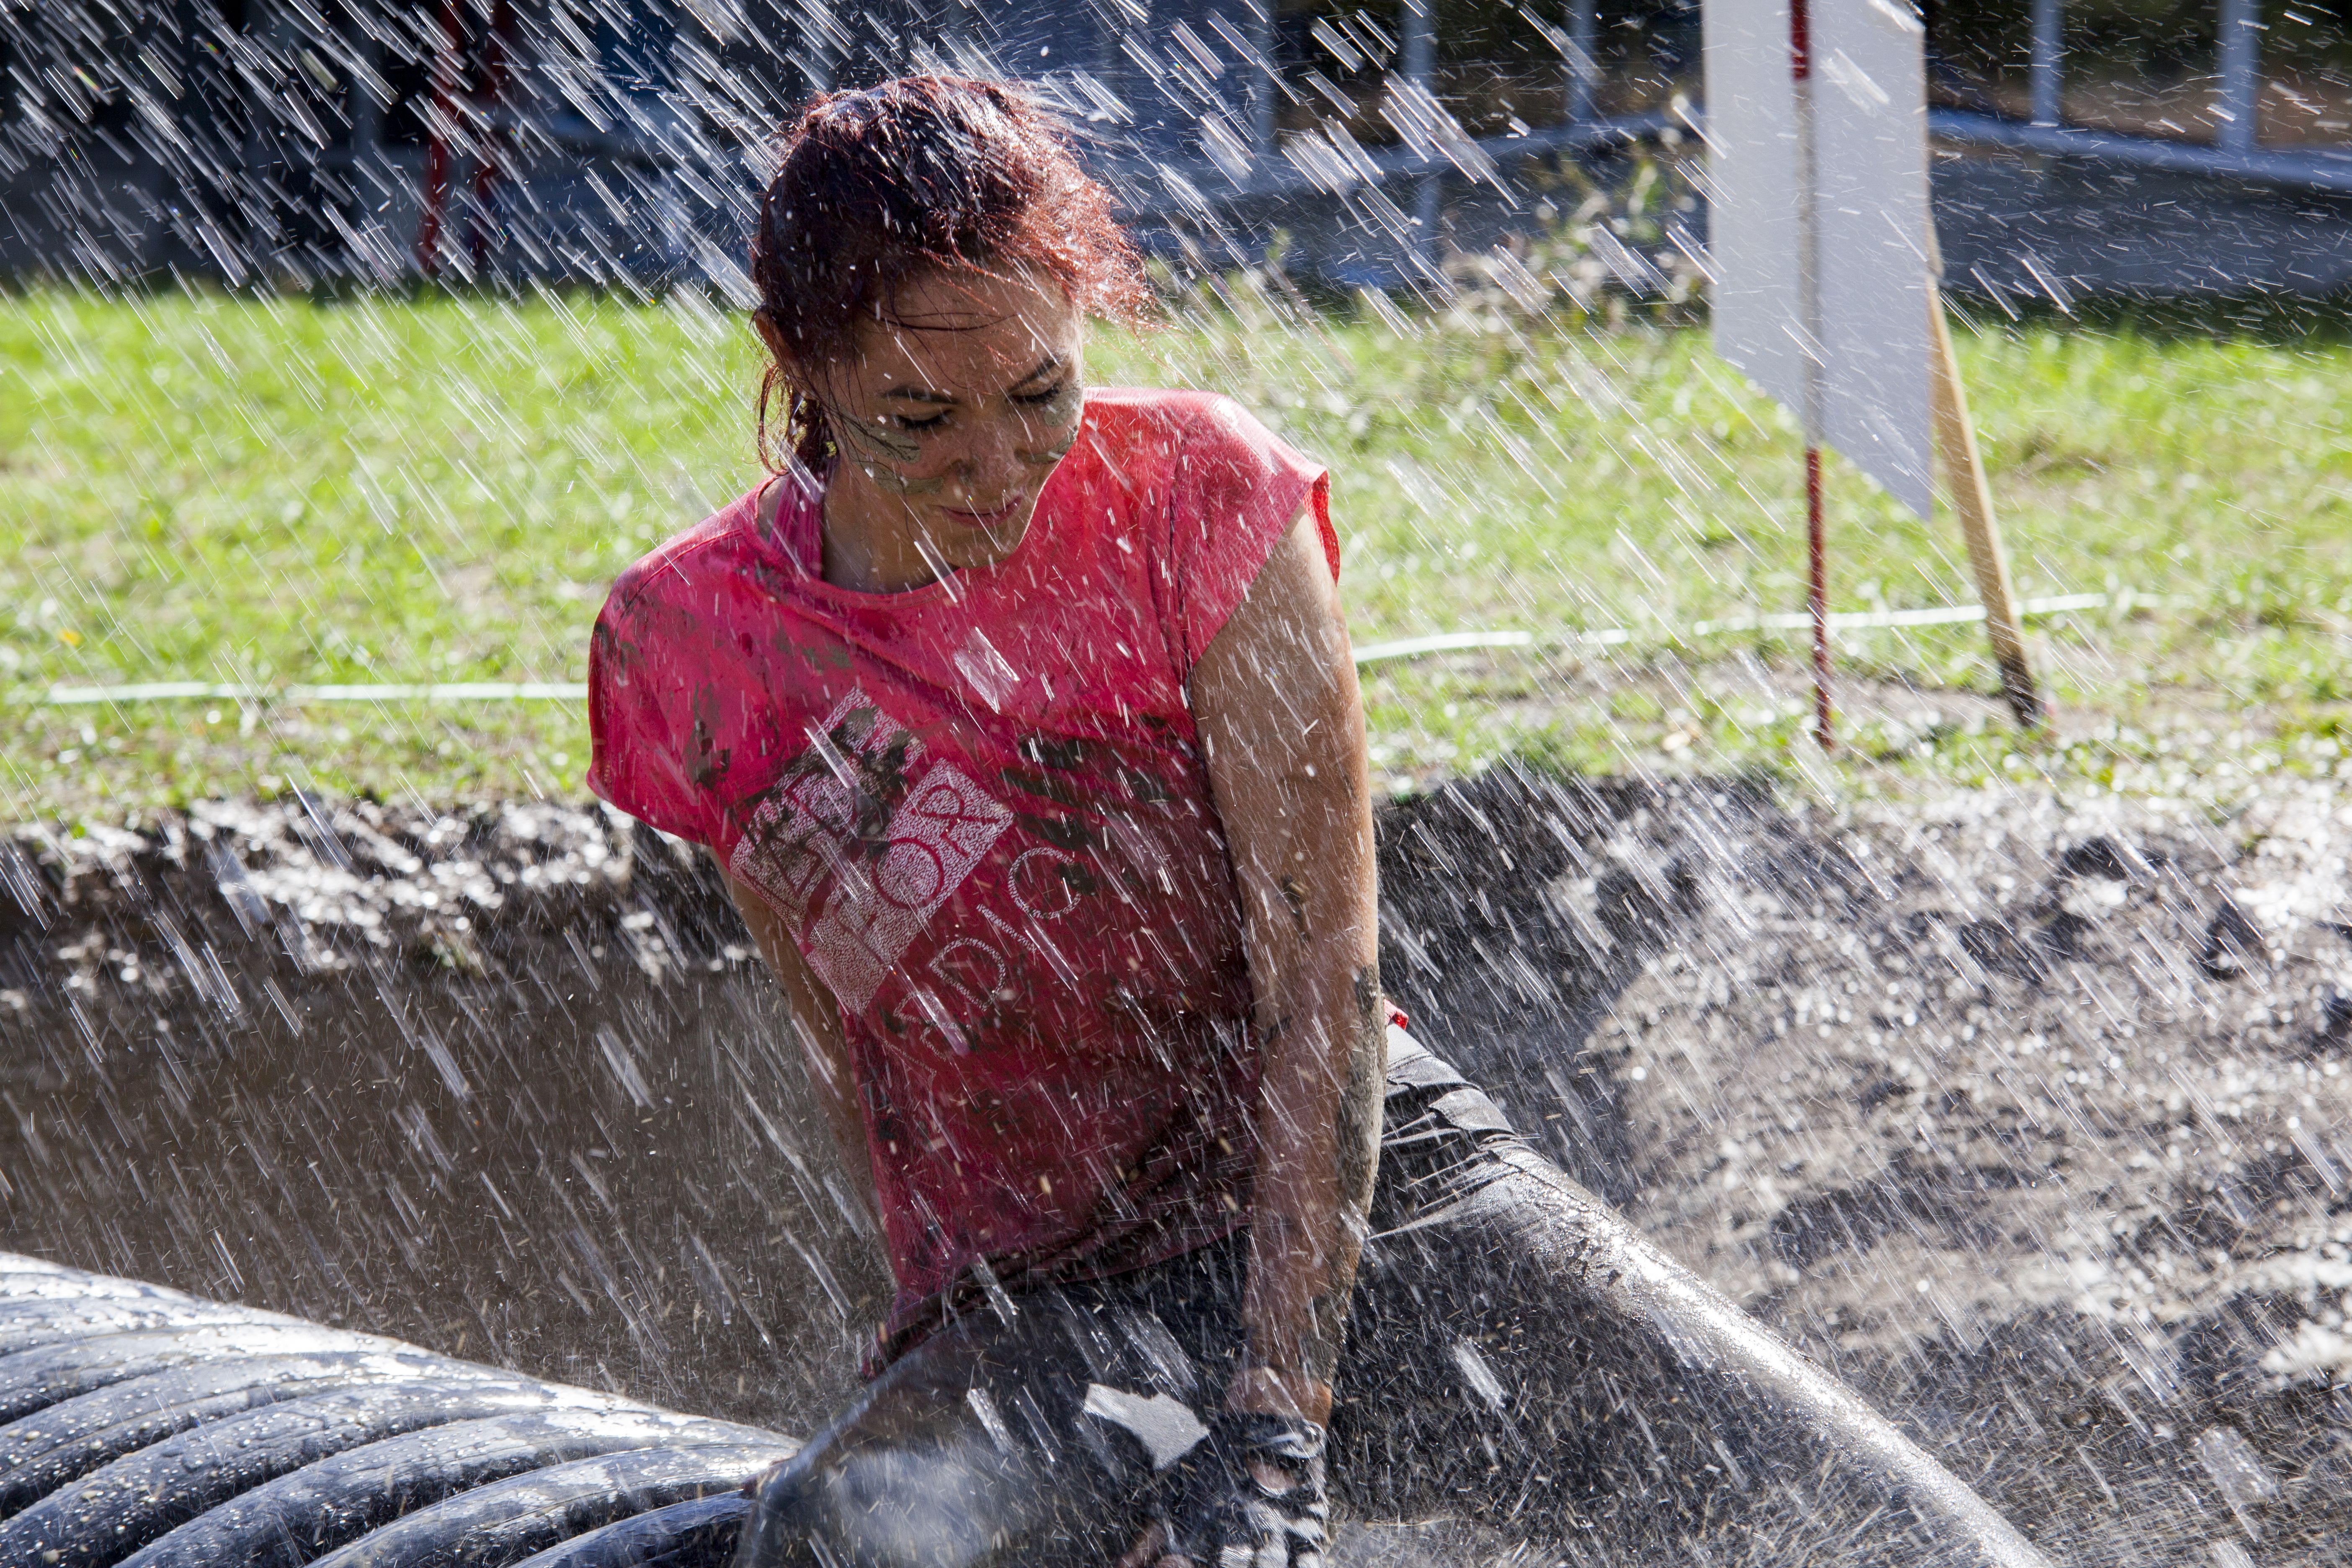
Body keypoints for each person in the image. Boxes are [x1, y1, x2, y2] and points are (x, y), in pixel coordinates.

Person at [586, 75, 2049, 1568]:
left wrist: (1278, 1422)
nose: (996, 462)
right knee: (840, 1536)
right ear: (800, 365)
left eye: (1038, 394)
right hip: (1051, 1295)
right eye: (919, 418)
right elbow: (856, 1049)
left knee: (1904, 1545)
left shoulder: (1197, 498)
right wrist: (934, 1340)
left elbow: (1323, 980)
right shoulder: (690, 646)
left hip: (1378, 1201)